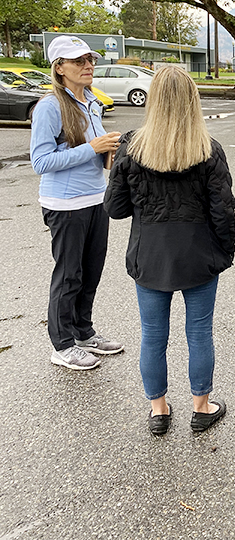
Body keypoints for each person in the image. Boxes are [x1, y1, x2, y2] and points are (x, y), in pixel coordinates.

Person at [104, 65, 235, 435]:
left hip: (150, 254)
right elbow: (223, 210)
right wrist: (225, 253)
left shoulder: (131, 146)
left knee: (152, 334)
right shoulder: (208, 149)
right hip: (198, 254)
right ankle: (201, 406)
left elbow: (115, 209)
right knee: (199, 333)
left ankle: (158, 410)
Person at [30, 35, 124, 371]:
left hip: (96, 200)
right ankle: (62, 344)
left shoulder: (92, 102)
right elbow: (40, 161)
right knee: (68, 275)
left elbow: (99, 155)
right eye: (79, 61)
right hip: (65, 205)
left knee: (91, 272)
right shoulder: (49, 107)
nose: (88, 66)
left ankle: (84, 333)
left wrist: (113, 153)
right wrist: (93, 148)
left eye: (90, 60)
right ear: (59, 68)